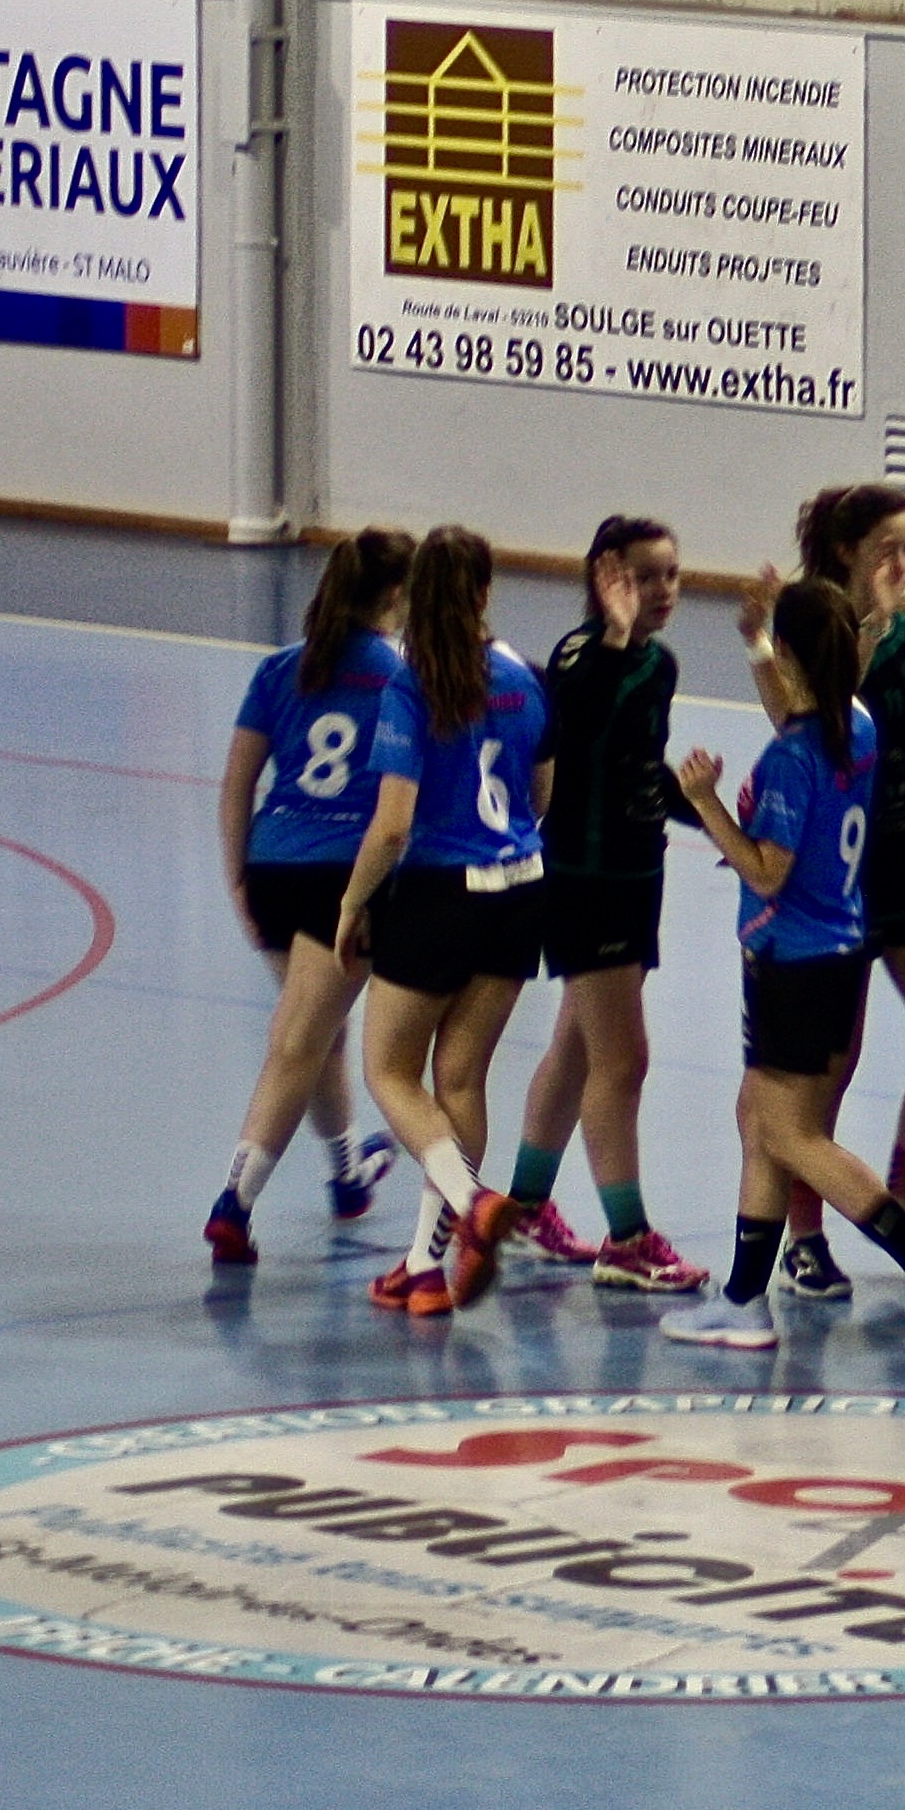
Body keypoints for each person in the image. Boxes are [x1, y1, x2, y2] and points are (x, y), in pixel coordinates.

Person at [656, 579, 905, 1348]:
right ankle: (744, 1301)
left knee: (790, 1135)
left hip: (792, 960)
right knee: (760, 1119)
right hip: (836, 951)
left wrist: (705, 802)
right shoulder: (857, 724)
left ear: (794, 654)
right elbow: (793, 706)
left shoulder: (793, 758)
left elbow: (767, 871)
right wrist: (759, 643)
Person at [741, 485, 905, 1299]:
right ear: (847, 552)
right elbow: (804, 722)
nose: (903, 564)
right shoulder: (813, 628)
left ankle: (900, 1207)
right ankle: (806, 1241)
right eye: (888, 548)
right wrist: (796, 639)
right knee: (822, 1074)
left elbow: (874, 730)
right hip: (831, 879)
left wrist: (878, 626)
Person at [330, 526, 551, 1315]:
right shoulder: (523, 677)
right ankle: (425, 1269)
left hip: (440, 893)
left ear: (417, 594)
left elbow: (393, 825)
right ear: (486, 592)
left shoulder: (413, 685)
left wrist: (353, 904)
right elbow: (541, 795)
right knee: (460, 1079)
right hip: (521, 888)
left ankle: (471, 1201)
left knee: (388, 1071)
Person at [500, 514, 703, 1292]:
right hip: (585, 881)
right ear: (606, 580)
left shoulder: (659, 665)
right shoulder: (580, 656)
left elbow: (640, 769)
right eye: (645, 576)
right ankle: (628, 1239)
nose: (663, 590)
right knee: (625, 1060)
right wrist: (614, 637)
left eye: (671, 575)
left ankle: (524, 1207)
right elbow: (574, 735)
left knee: (578, 1049)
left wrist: (719, 818)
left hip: (637, 876)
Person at [203, 527, 410, 1264]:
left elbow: (237, 784)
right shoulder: (400, 676)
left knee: (319, 1031)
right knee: (297, 1041)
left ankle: (348, 1176)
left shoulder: (281, 667)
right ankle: (235, 1201)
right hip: (343, 879)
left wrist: (237, 874)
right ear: (396, 595)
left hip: (271, 868)